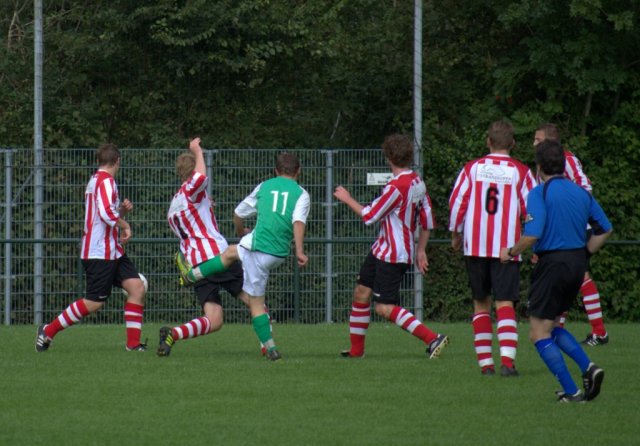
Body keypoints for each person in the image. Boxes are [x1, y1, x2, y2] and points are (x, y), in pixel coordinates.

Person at [499, 139, 612, 402]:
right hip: (577, 266)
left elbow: (532, 234)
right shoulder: (581, 193)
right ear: (563, 164)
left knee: (538, 332)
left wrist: (510, 252)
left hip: (551, 266)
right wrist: (584, 254)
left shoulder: (540, 193)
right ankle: (589, 368)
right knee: (551, 325)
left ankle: (572, 391)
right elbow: (605, 229)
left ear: (538, 167)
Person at [175, 151, 310, 361]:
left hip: (257, 247)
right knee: (230, 252)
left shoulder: (264, 186)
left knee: (256, 304)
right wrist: (299, 251)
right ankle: (192, 275)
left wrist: (241, 232)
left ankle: (271, 349)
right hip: (278, 253)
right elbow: (298, 222)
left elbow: (238, 213)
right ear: (298, 171)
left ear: (275, 170)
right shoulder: (302, 194)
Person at [334, 134, 448, 359]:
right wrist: (421, 250)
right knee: (361, 293)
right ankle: (356, 351)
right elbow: (427, 220)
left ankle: (433, 338)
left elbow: (370, 215)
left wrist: (347, 198)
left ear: (388, 158)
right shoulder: (417, 181)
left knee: (383, 308)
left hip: (393, 255)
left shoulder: (397, 187)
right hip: (381, 249)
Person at [159, 137, 272, 357]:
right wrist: (197, 150)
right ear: (192, 171)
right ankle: (268, 347)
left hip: (196, 264)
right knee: (255, 301)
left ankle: (173, 333)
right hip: (216, 257)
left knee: (214, 319)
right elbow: (201, 177)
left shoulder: (174, 204)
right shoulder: (191, 190)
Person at [35, 143, 147, 352]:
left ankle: (133, 345)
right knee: (94, 303)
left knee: (137, 288)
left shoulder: (96, 179)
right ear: (117, 161)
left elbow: (104, 214)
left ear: (98, 161)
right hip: (99, 252)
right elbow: (105, 214)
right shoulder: (106, 181)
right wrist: (125, 225)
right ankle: (48, 331)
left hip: (112, 251)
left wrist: (121, 212)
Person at [449, 120, 536, 376]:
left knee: (481, 303)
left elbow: (457, 204)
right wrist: (534, 244)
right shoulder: (521, 172)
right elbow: (532, 210)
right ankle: (507, 363)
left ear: (488, 142)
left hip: (475, 246)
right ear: (513, 144)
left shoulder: (472, 169)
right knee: (505, 303)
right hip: (507, 249)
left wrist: (455, 233)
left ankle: (486, 365)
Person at [533, 123, 609, 346]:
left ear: (550, 141)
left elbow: (585, 188)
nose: (533, 143)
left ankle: (599, 331)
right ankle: (559, 329)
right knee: (565, 278)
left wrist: (568, 211)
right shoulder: (542, 165)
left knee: (580, 276)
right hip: (557, 228)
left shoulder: (567, 159)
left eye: (538, 139)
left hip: (575, 226)